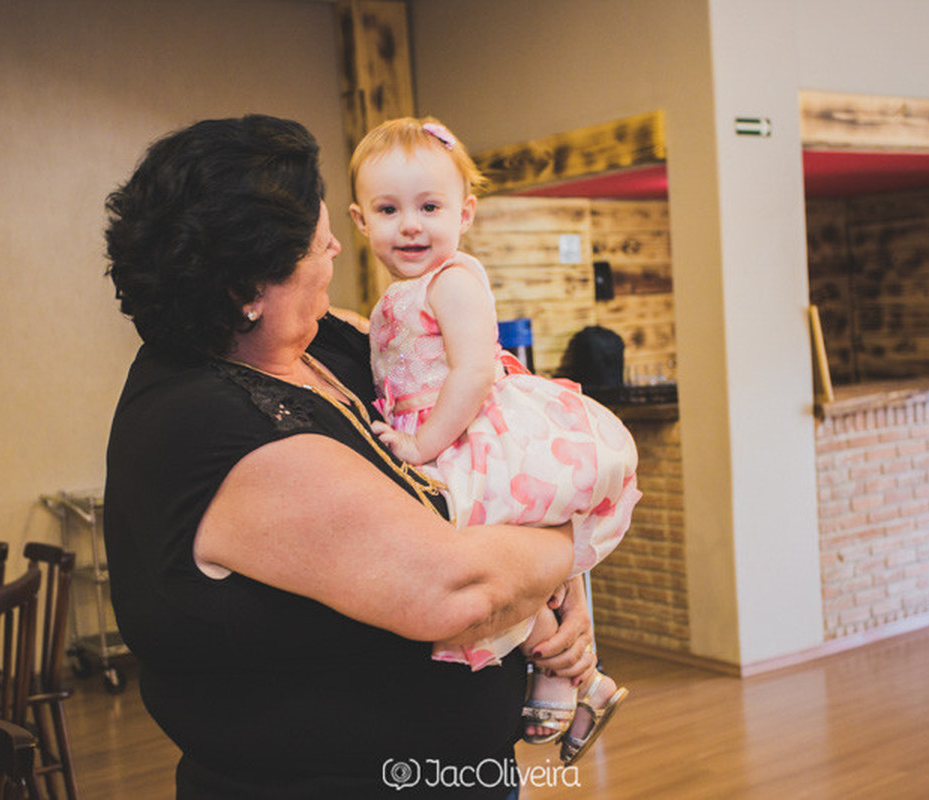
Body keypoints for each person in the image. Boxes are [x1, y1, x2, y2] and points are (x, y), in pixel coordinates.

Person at [102, 115, 598, 799]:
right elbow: (455, 590)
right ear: (248, 290)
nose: (338, 244)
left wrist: (563, 599)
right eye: (316, 242)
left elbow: (477, 440)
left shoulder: (326, 343)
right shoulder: (213, 426)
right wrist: (576, 536)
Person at [349, 116, 638, 765]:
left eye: (430, 206)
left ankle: (565, 671)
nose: (412, 225)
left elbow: (477, 369)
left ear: (465, 211)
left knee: (476, 555)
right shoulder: (398, 292)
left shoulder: (453, 278)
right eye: (389, 209)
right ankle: (581, 678)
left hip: (466, 434)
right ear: (361, 221)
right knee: (473, 565)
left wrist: (423, 446)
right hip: (434, 431)